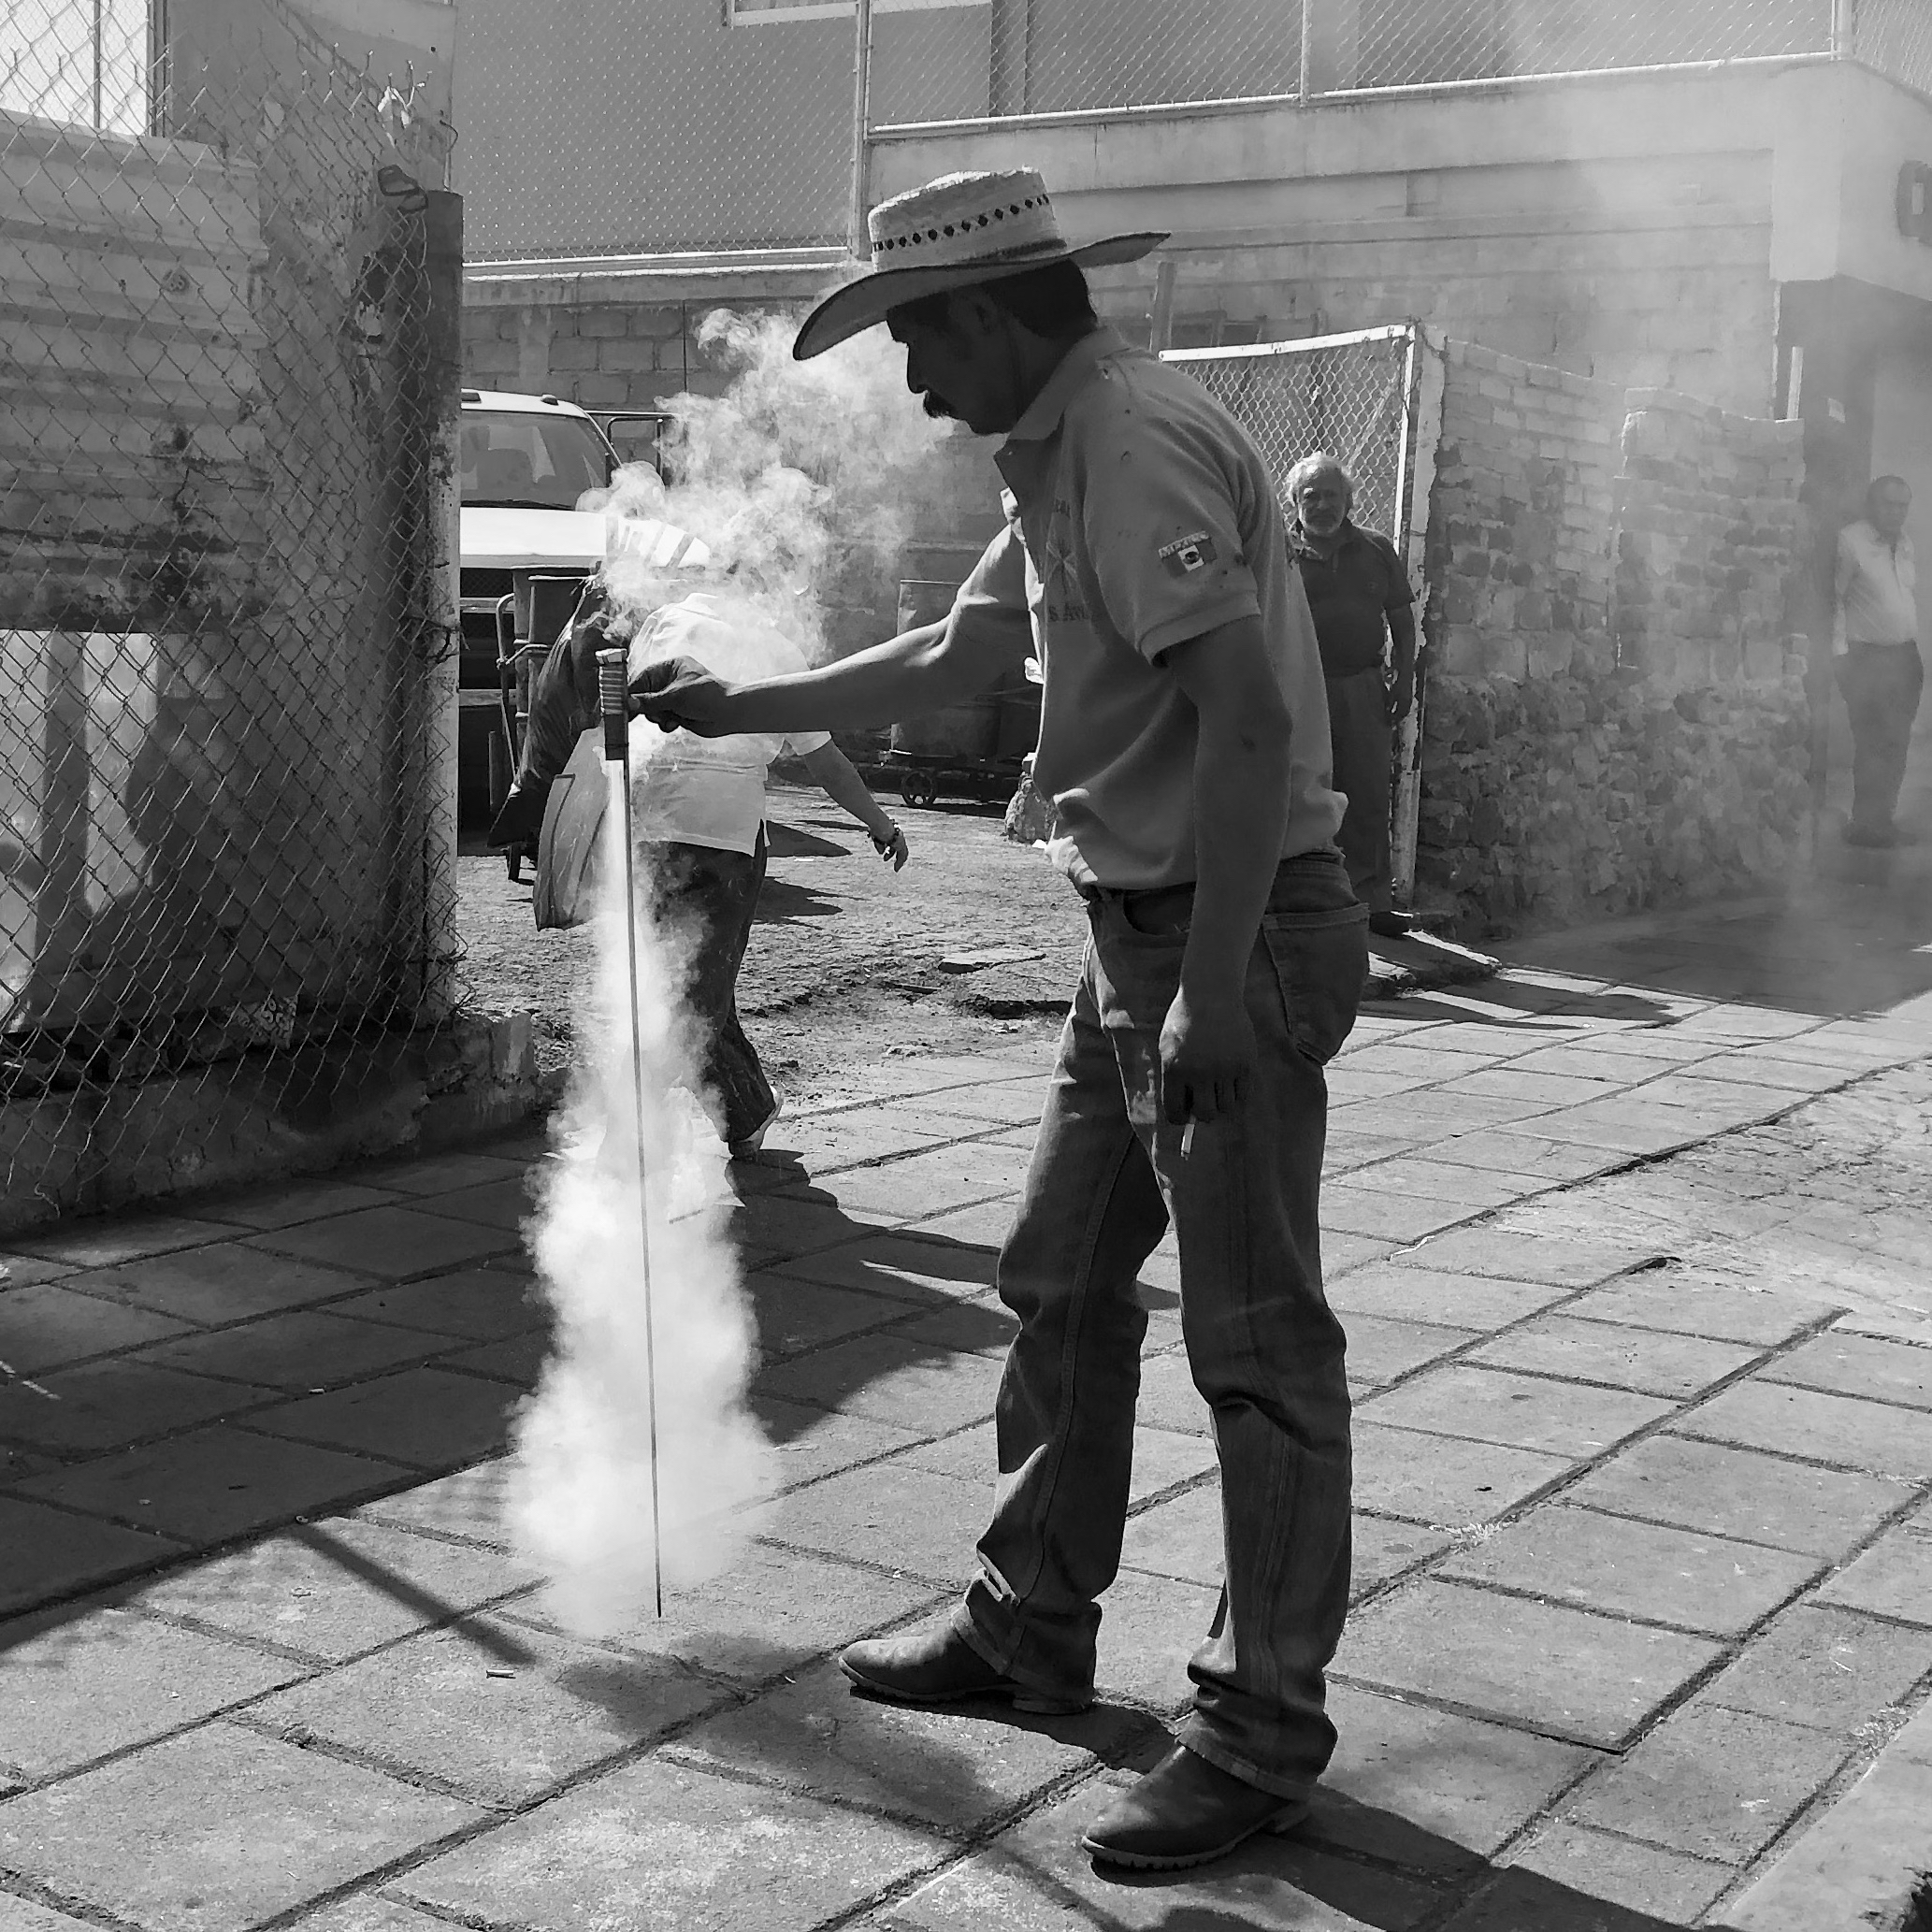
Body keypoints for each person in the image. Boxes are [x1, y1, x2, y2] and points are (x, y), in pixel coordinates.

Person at [633, 166, 1366, 1871]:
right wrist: (746, 701)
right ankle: (1031, 1628)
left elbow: (1249, 726)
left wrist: (1210, 991)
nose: (909, 384)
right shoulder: (1060, 449)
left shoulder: (1126, 442)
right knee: (1055, 1277)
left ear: (981, 313)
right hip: (1142, 926)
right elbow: (957, 650)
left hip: (1220, 937)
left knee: (1256, 1349)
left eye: (912, 342)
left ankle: (1259, 1729)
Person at [491, 581, 910, 1157]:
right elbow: (824, 759)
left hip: (660, 830)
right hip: (713, 840)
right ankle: (731, 1113)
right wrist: (879, 823)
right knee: (684, 990)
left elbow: (623, 717)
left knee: (683, 990)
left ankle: (639, 1138)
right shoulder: (771, 646)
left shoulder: (667, 624)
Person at [1285, 452, 1418, 934]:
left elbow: (1402, 620)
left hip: (1362, 687)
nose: (1322, 505)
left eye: (1332, 495)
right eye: (1311, 496)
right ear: (1294, 501)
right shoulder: (1278, 552)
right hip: (1298, 690)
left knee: (1364, 792)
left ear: (1349, 501)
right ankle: (1303, 902)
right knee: (1300, 793)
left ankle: (1371, 903)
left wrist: (1404, 680)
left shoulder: (1377, 549)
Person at [1834, 475, 1924, 847]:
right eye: (1889, 504)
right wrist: (1840, 658)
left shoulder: (1905, 544)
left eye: (1903, 505)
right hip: (1866, 658)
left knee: (1897, 743)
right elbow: (1835, 600)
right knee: (1871, 744)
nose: (1896, 513)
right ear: (1873, 504)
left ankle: (1882, 821)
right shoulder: (1851, 541)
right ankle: (1864, 825)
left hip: (1903, 658)